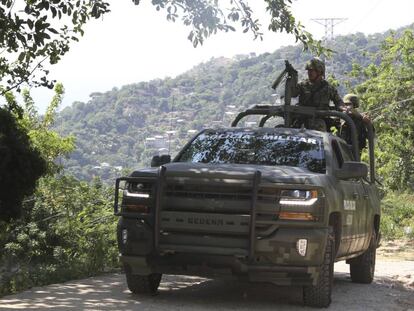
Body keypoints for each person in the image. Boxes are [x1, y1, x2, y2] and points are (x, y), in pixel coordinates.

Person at [290, 57, 343, 131]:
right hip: (301, 119)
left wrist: (342, 108)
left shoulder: (328, 88)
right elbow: (292, 94)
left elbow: (338, 101)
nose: (309, 73)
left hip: (319, 121)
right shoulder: (302, 85)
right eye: (308, 70)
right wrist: (292, 79)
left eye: (312, 70)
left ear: (320, 72)